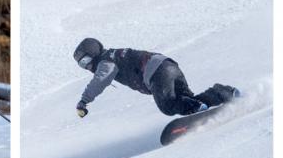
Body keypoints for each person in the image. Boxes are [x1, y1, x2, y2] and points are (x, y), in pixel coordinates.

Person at [72, 38, 239, 118]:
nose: (86, 66)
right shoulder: (114, 54)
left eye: (85, 61)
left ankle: (198, 106)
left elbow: (101, 80)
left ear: (93, 54)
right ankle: (222, 93)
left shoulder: (106, 60)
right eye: (81, 64)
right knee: (185, 101)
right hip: (168, 66)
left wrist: (84, 101)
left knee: (168, 106)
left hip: (157, 73)